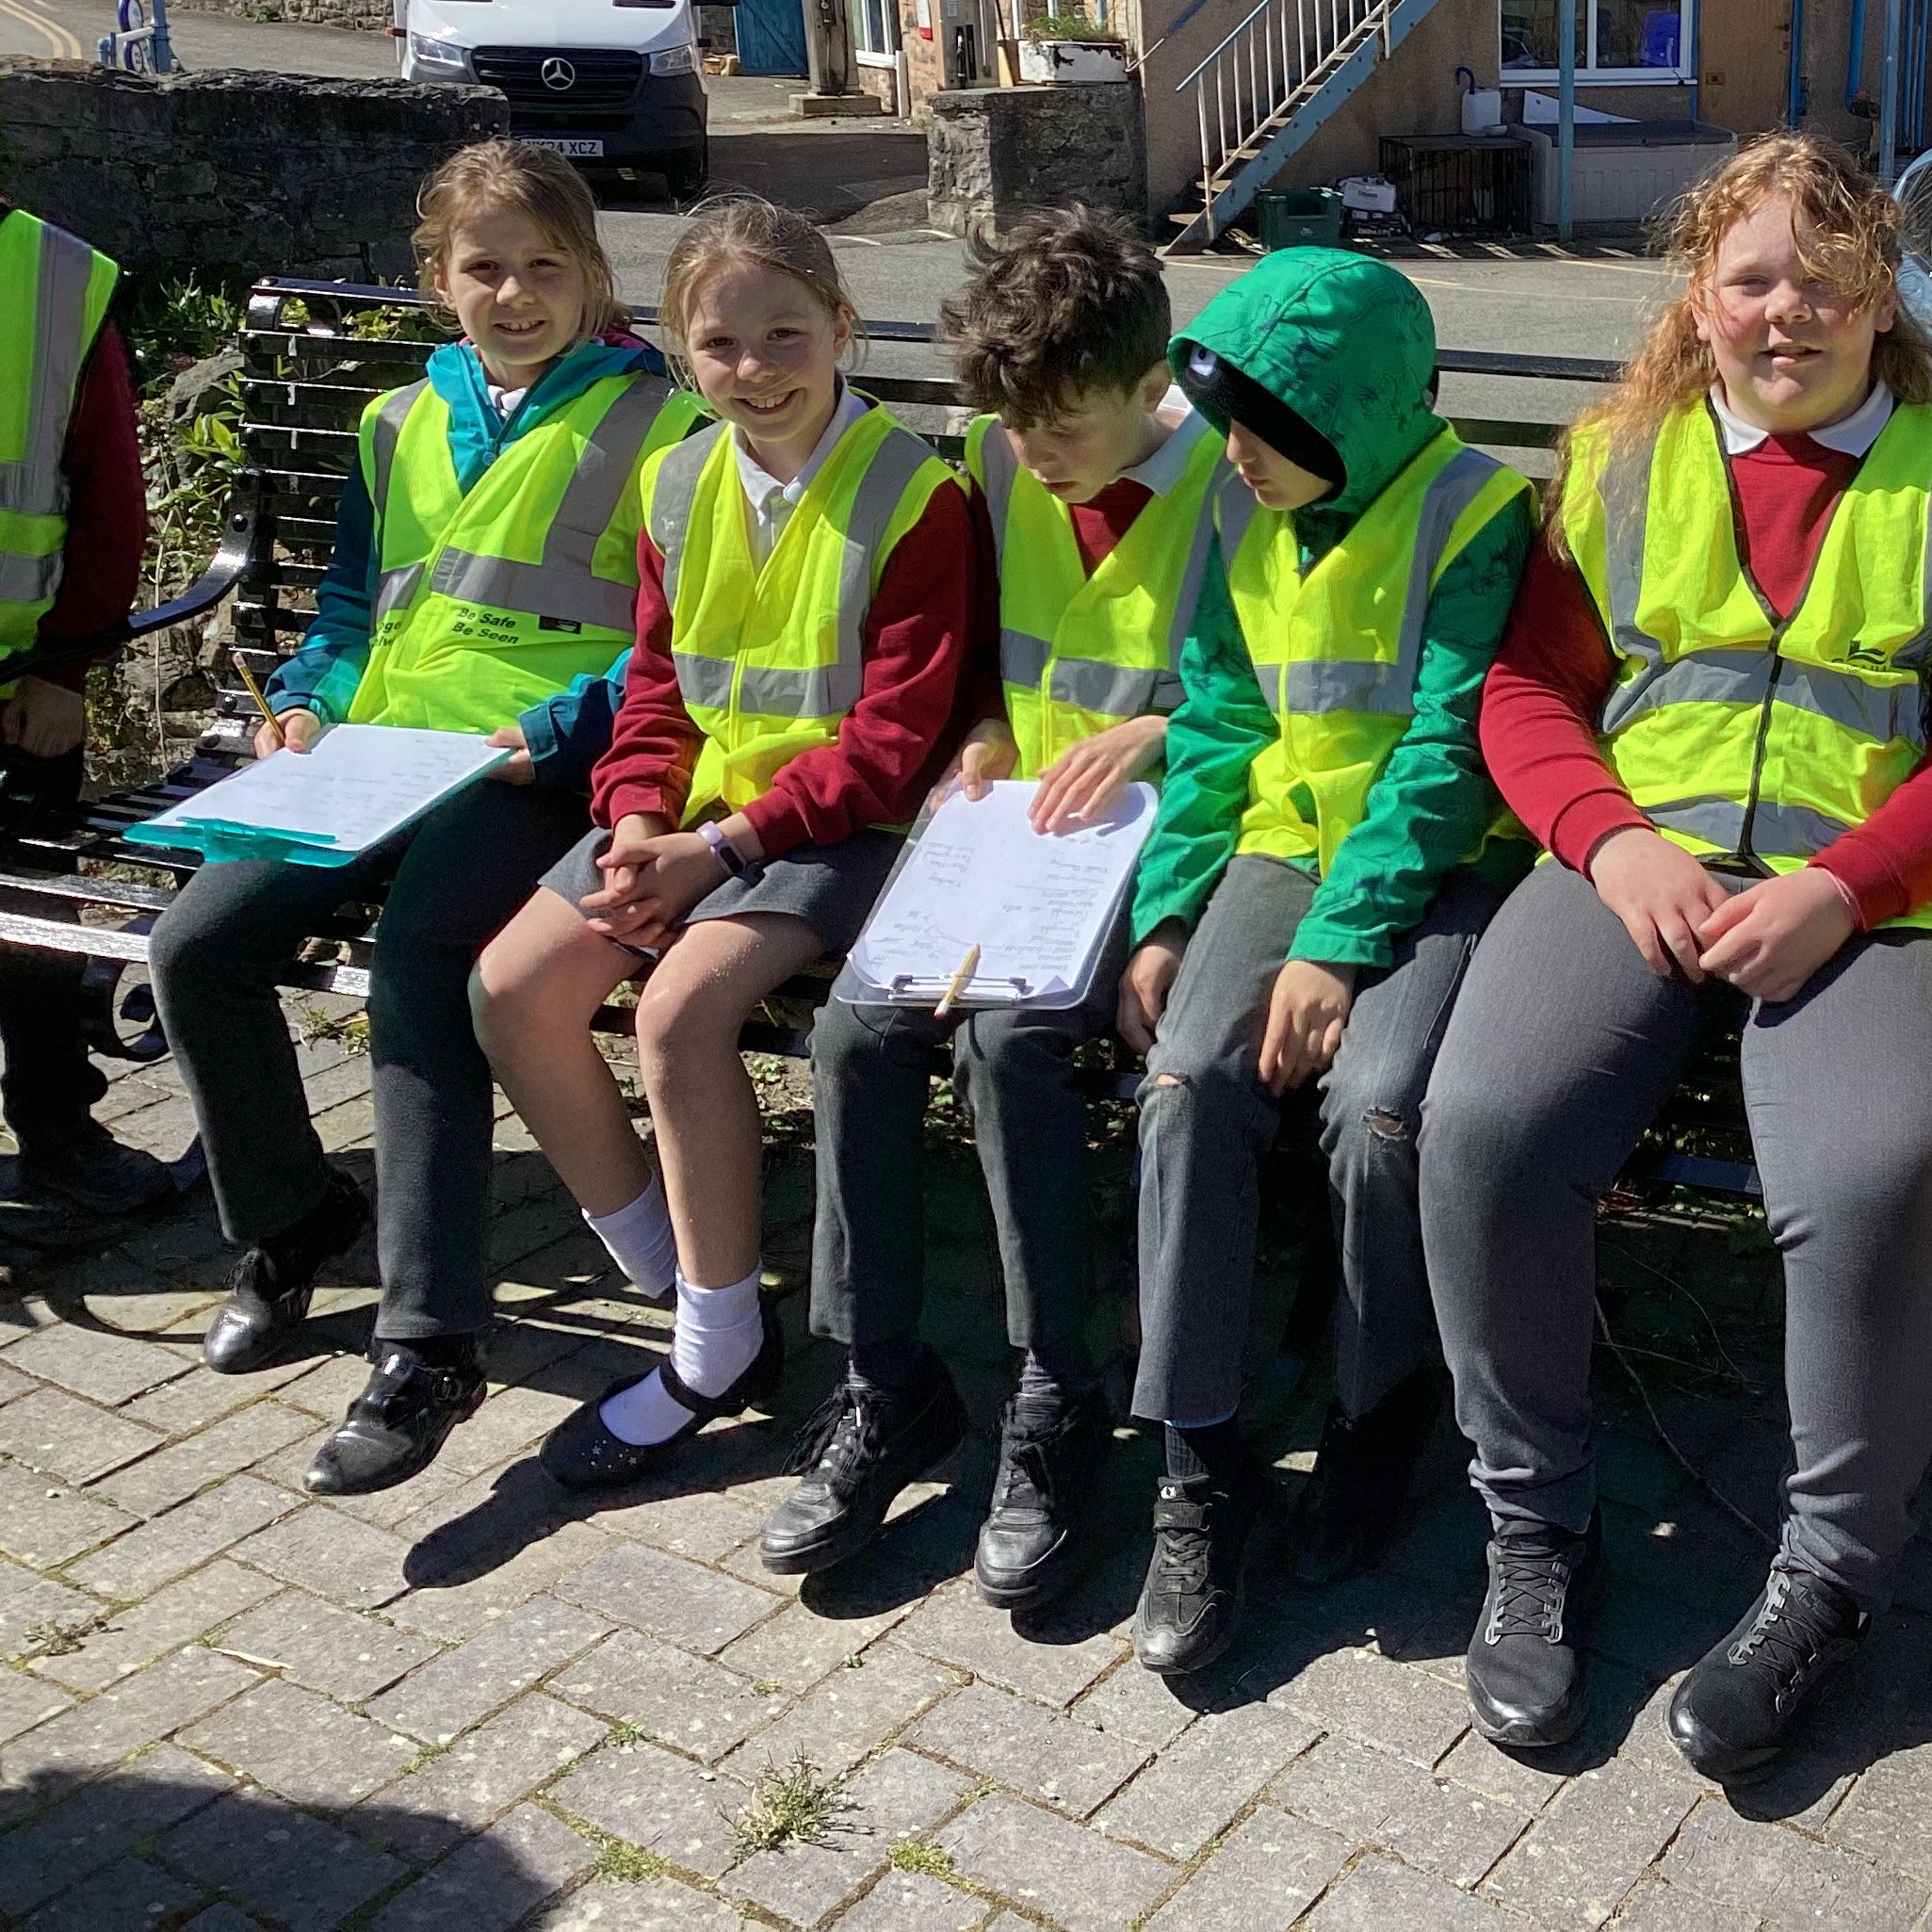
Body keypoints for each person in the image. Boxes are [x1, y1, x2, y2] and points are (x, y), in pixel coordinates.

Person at [1420, 132, 1932, 1775]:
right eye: (1753, 277)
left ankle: (1828, 1578)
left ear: (1882, 298)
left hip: (1871, 894)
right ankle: (1531, 1525)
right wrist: (1608, 839)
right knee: (1481, 1123)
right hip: (1633, 864)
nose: (1789, 310)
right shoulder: (1618, 461)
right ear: (1698, 299)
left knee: (1872, 1172)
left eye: (1826, 278)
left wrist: (1845, 886)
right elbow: (1526, 692)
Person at [147, 141, 702, 1494]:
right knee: (194, 947)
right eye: (484, 268)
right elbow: (355, 607)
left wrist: (551, 736)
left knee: (421, 962)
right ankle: (291, 1218)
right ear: (436, 279)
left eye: (545, 266)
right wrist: (304, 705)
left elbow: (681, 641)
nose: (515, 293)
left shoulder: (666, 426)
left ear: (592, 273)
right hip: (373, 758)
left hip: (537, 768)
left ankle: (431, 1338)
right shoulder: (396, 422)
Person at [471, 201, 969, 1490]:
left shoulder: (918, 493)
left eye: (783, 335)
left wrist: (722, 849)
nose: (754, 369)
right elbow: (655, 689)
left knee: (679, 1011)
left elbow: (891, 746)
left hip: (840, 830)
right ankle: (694, 1283)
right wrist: (640, 819)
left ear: (843, 327)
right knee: (513, 989)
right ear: (683, 353)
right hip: (691, 820)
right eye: (719, 345)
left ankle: (710, 1350)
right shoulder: (679, 479)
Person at [763, 206, 1220, 1600]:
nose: (1031, 454)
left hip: (1160, 840)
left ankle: (1056, 1391)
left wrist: (1163, 731)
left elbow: (1287, 690)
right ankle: (884, 1379)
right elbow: (976, 659)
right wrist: (980, 728)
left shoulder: (1234, 481)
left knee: (1011, 1042)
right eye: (1012, 424)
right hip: (1009, 833)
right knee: (854, 1033)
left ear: (1151, 386)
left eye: (1061, 426)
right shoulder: (998, 455)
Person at [1118, 248, 1533, 1676]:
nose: (1235, 452)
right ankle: (1199, 1455)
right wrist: (1170, 914)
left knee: (1379, 1112)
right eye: (1227, 420)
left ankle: (1377, 1410)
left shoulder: (1477, 511)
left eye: (1267, 425)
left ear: (1349, 413)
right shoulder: (1240, 507)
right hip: (1286, 851)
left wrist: (1340, 949)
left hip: (1441, 868)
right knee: (1185, 1083)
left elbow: (1449, 752)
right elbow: (1217, 722)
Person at [0, 200, 164, 1217]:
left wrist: (66, 674)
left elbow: (109, 501)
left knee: (33, 923)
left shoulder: (53, 278)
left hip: (21, 691)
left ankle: (58, 1127)